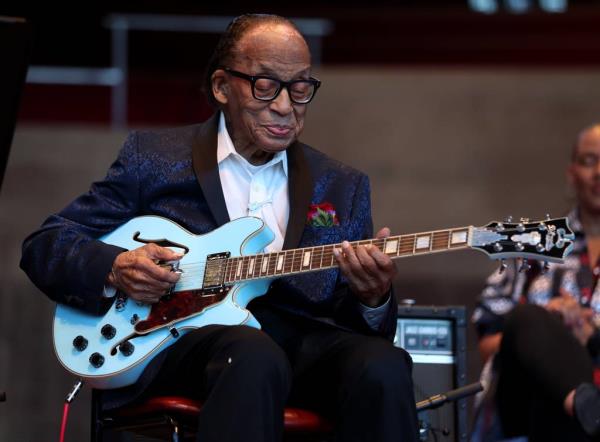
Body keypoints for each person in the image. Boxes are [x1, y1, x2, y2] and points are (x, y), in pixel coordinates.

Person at [20, 14, 419, 442]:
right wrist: (116, 266)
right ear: (221, 87)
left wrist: (373, 297)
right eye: (266, 86)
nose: (285, 106)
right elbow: (46, 244)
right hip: (181, 347)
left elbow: (358, 323)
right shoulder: (154, 159)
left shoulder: (342, 185)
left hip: (300, 350)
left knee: (384, 365)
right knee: (251, 355)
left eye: (300, 88)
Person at [472, 124, 600, 441]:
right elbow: (487, 346)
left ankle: (589, 408)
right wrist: (548, 330)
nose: (599, 171)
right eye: (589, 161)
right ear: (572, 174)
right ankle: (588, 407)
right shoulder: (533, 245)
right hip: (529, 408)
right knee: (529, 317)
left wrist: (591, 337)